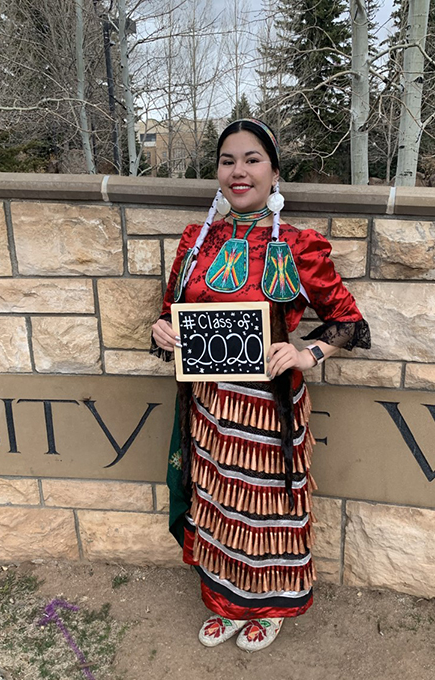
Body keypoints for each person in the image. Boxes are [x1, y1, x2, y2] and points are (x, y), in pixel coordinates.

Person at [151, 119, 370, 653]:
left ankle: (268, 605)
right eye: (228, 161)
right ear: (218, 173)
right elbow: (172, 319)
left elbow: (348, 321)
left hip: (268, 408)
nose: (239, 171)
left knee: (266, 510)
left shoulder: (298, 244)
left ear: (274, 171)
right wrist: (163, 333)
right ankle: (225, 602)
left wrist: (305, 352)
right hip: (208, 405)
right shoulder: (197, 241)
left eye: (252, 159)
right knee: (220, 504)